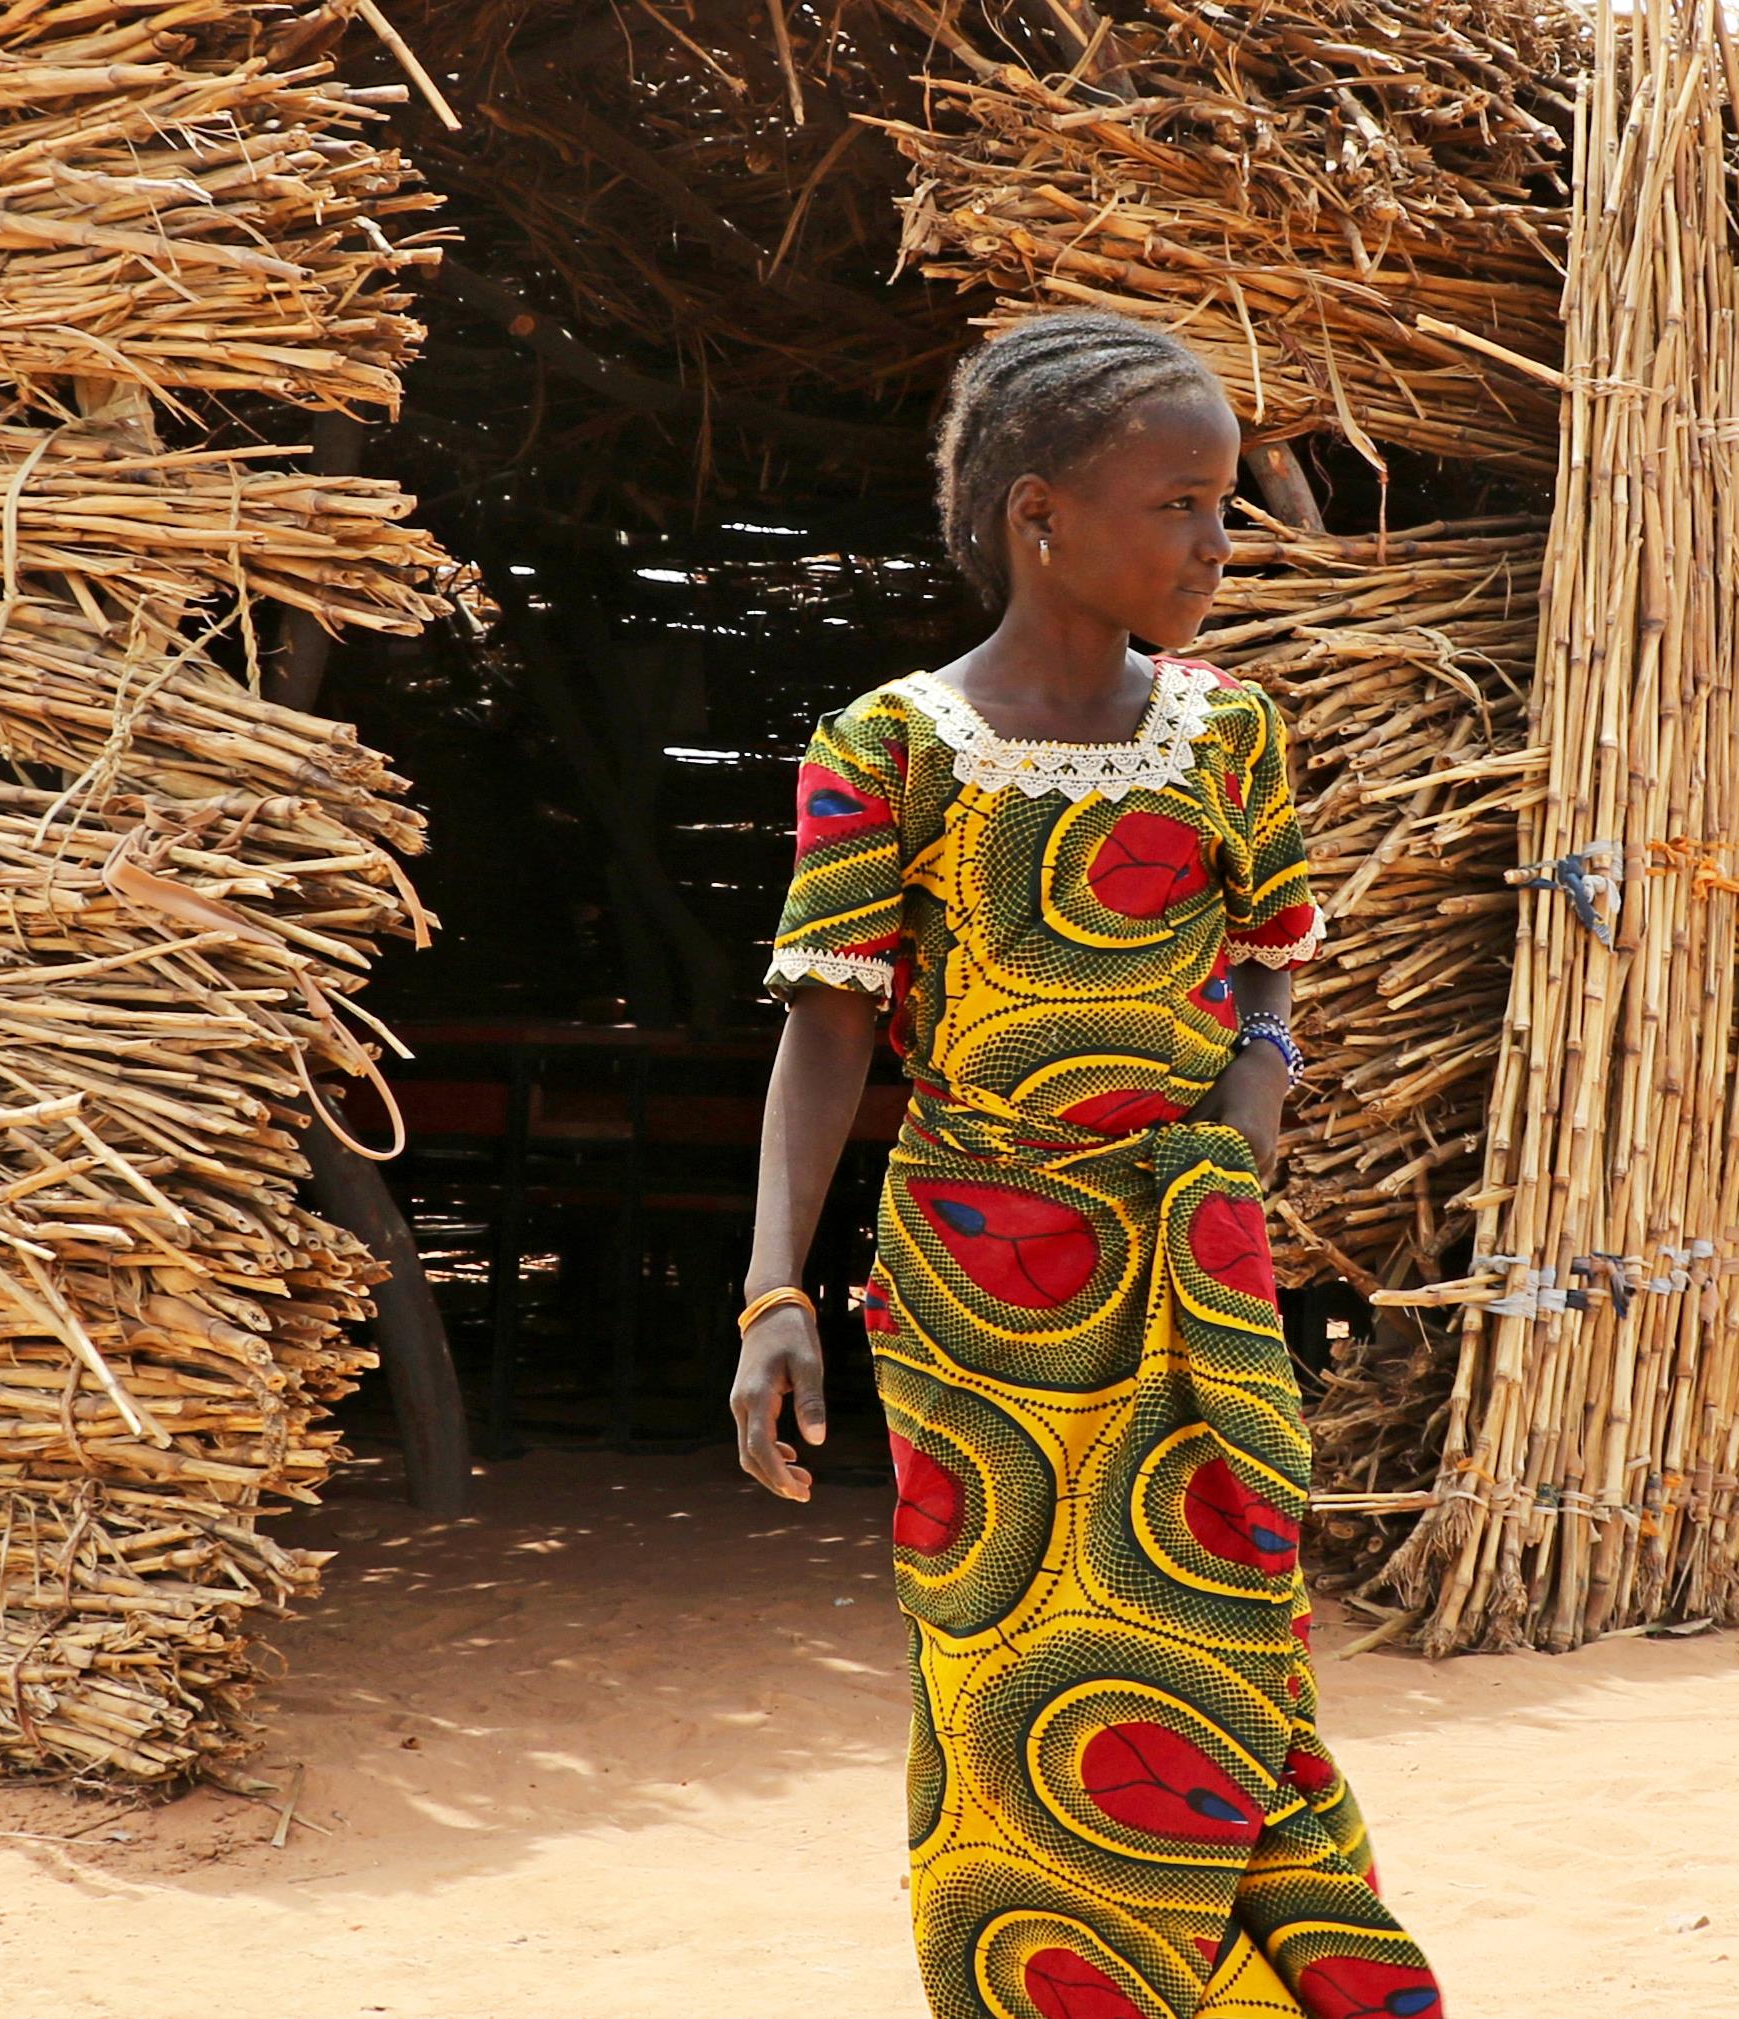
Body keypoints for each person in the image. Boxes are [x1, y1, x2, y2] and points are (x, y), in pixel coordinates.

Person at [726, 313, 1449, 2019]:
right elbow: (828, 1031)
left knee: (1228, 1669)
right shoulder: (886, 748)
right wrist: (774, 1291)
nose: (1220, 541)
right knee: (1003, 1690)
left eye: (1223, 505)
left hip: (1192, 1280)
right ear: (1037, 514)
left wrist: (1256, 1077)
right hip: (978, 1294)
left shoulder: (1230, 735)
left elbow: (1271, 948)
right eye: (1181, 504)